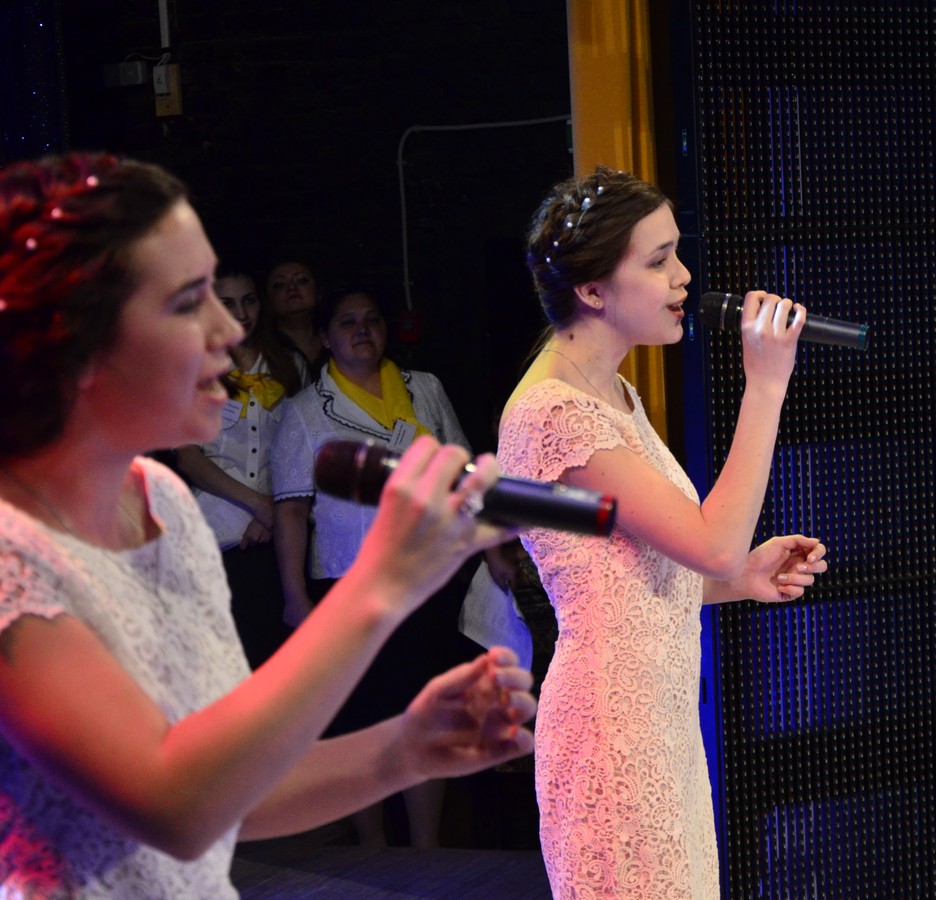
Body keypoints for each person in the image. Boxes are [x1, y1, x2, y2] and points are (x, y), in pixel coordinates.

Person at [0, 152, 535, 897]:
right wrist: (379, 583)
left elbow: (233, 792)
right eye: (189, 301)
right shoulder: (13, 552)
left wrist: (406, 749)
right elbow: (174, 808)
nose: (228, 329)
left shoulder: (162, 500)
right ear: (77, 339)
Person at [498, 165, 828, 898]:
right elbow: (711, 542)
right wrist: (765, 384)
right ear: (592, 291)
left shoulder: (611, 392)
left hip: (661, 725)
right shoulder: (554, 414)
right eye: (657, 260)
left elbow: (621, 579)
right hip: (611, 733)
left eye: (676, 253)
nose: (683, 277)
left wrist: (735, 579)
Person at [272, 287, 477, 848]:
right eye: (347, 322)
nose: (362, 330)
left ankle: (426, 849)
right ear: (324, 338)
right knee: (363, 716)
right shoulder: (305, 410)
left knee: (423, 711)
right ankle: (374, 851)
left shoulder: (423, 388)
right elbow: (290, 510)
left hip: (425, 577)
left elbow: (464, 476)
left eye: (371, 319)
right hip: (348, 582)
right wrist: (295, 597)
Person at [175, 265, 305, 668]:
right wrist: (258, 504)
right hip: (215, 532)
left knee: (277, 662)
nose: (241, 312)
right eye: (227, 303)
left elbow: (299, 452)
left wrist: (274, 508)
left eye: (249, 301)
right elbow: (188, 457)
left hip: (277, 536)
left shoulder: (289, 364)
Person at [265, 259, 324, 373]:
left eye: (302, 280)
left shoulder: (338, 339)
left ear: (318, 292)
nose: (292, 287)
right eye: (279, 284)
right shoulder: (260, 349)